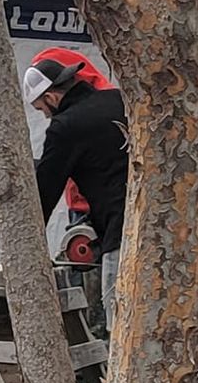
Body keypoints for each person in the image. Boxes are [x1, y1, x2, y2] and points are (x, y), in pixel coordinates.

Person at [23, 49, 129, 326]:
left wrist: (27, 248)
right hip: (152, 224)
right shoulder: (119, 99)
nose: (45, 116)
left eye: (41, 109)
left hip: (119, 231)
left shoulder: (65, 127)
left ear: (52, 97)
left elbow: (45, 191)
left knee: (116, 316)